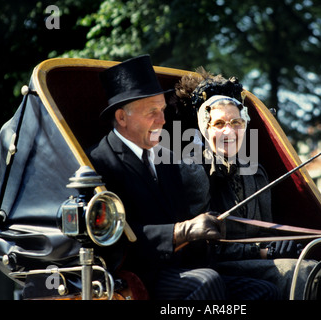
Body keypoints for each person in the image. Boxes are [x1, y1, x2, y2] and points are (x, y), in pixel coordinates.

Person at [87, 54, 279, 300]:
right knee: (207, 282)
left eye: (163, 110)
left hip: (181, 268)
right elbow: (111, 239)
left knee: (264, 292)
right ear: (122, 118)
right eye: (152, 112)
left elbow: (191, 226)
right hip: (135, 274)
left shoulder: (168, 159)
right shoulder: (97, 162)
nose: (162, 120)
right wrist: (182, 231)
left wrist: (206, 231)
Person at [174, 71, 316, 299]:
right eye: (219, 123)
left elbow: (264, 231)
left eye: (236, 122)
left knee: (316, 268)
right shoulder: (194, 171)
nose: (229, 131)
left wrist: (278, 246)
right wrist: (263, 252)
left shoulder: (256, 173)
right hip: (213, 269)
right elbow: (202, 248)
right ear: (204, 128)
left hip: (252, 263)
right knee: (301, 272)